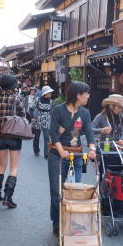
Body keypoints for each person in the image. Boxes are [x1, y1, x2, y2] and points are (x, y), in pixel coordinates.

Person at [48, 81, 97, 236]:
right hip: (58, 155)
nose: (88, 96)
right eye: (86, 93)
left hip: (76, 156)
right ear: (78, 95)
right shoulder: (58, 110)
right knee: (57, 192)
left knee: (75, 191)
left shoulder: (85, 113)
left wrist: (92, 149)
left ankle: (74, 222)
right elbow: (53, 133)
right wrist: (61, 150)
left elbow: (89, 131)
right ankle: (57, 223)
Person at [0, 75, 25, 208]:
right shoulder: (16, 98)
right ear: (12, 85)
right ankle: (8, 197)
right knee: (14, 167)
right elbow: (23, 113)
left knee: (2, 164)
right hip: (13, 135)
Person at [32, 86, 54, 159]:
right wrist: (32, 117)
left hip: (47, 120)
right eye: (49, 92)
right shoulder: (38, 100)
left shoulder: (51, 101)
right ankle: (36, 150)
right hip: (38, 120)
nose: (50, 93)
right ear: (45, 93)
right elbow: (32, 108)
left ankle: (46, 153)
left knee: (46, 137)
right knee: (37, 137)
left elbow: (52, 111)